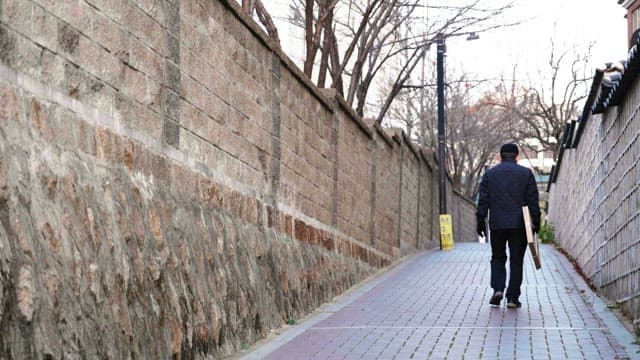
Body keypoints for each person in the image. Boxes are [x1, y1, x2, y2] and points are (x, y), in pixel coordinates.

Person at [476, 143, 540, 308]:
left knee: (498, 257)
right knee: (516, 260)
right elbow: (533, 200)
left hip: (497, 223)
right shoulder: (526, 174)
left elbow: (483, 201)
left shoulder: (490, 175)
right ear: (517, 156)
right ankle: (512, 298)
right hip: (519, 224)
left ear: (500, 156)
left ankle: (498, 289)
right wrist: (536, 222)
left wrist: (480, 221)